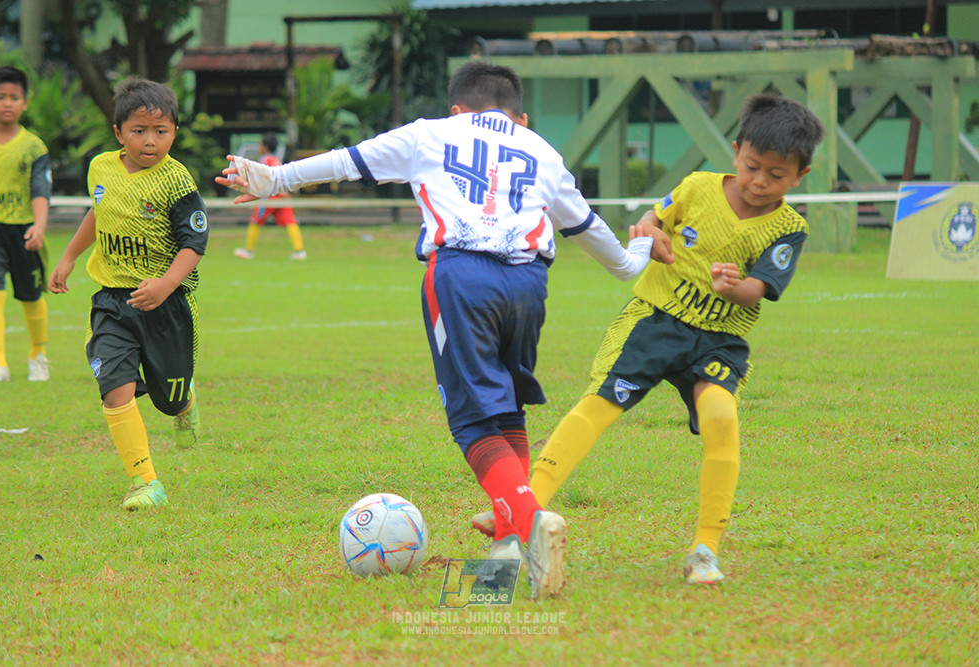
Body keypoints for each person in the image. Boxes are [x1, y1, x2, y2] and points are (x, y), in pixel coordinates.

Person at [216, 60, 656, 598]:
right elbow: (597, 238)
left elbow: (351, 161)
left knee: (472, 422)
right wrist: (638, 254)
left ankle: (531, 522)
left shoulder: (431, 134)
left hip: (460, 276)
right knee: (505, 406)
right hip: (529, 284)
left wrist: (276, 178)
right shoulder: (541, 149)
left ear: (457, 109)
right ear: (521, 116)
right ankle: (509, 552)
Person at [472, 92, 825, 585]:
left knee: (721, 417)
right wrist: (649, 232)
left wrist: (735, 286)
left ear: (800, 177)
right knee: (599, 405)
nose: (760, 181)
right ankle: (521, 507)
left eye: (776, 175)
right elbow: (652, 220)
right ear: (736, 149)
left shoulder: (789, 228)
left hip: (719, 340)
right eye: (752, 166)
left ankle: (705, 549)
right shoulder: (698, 187)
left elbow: (759, 290)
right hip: (655, 322)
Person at [49, 78, 207, 511]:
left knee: (168, 397)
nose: (150, 141)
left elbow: (195, 244)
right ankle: (145, 482)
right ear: (119, 132)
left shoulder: (176, 182)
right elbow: (99, 212)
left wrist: (165, 285)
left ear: (175, 132)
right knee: (113, 386)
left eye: (162, 131)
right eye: (139, 131)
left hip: (167, 305)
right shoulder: (101, 167)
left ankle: (185, 400)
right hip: (113, 301)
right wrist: (67, 259)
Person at [0, 65, 52, 382]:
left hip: (24, 231)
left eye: (14, 97)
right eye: (0, 97)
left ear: (25, 102)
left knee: (31, 296)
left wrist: (39, 226)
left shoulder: (34, 146)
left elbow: (40, 189)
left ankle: (38, 355)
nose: (7, 103)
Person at [233, 132, 306, 261]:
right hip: (281, 195)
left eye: (260, 144)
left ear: (265, 147)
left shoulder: (265, 160)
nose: (258, 147)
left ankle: (249, 251)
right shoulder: (276, 159)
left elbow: (269, 177)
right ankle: (299, 251)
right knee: (290, 222)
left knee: (255, 220)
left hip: (271, 196)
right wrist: (285, 193)